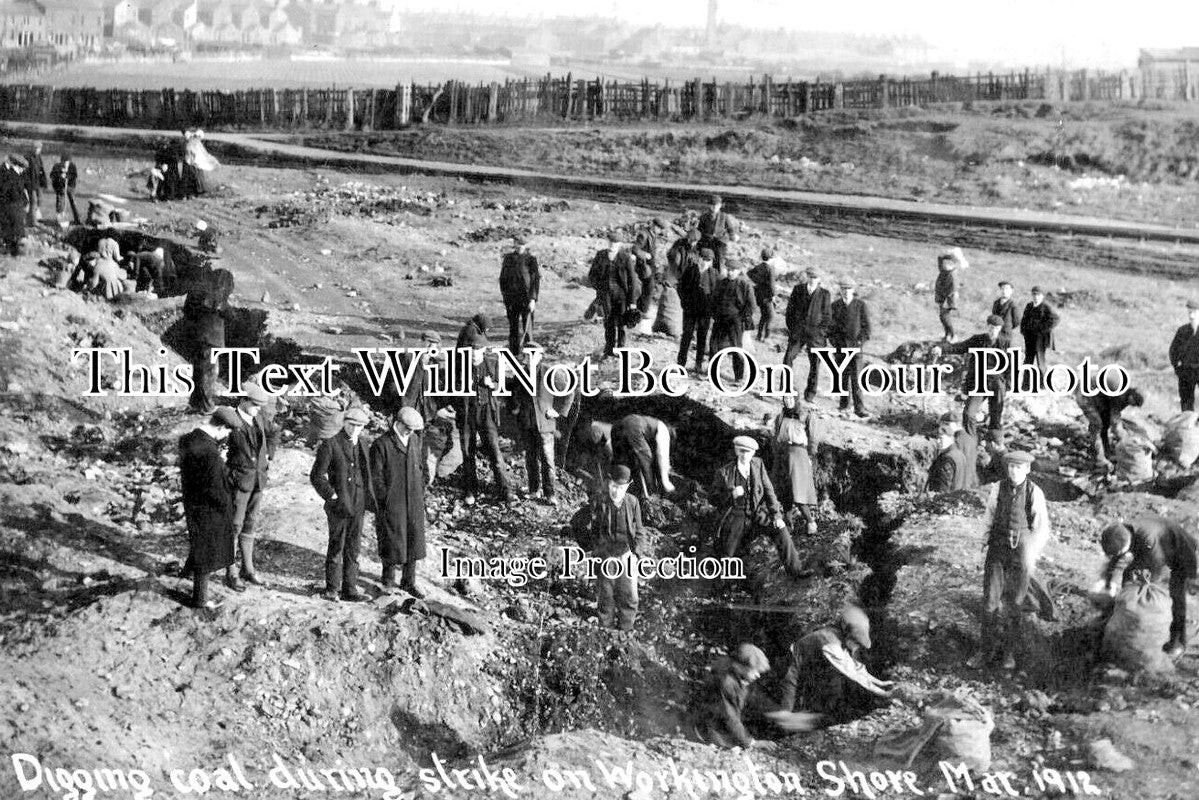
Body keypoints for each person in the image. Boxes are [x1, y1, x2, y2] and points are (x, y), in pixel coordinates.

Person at [967, 450, 1050, 670]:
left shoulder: (1034, 492)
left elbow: (1041, 528)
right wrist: (983, 539)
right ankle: (986, 651)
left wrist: (1031, 554)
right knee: (990, 601)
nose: (1013, 471)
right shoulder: (997, 488)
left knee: (1015, 603)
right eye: (1011, 467)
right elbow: (989, 515)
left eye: (1018, 467)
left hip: (1021, 551)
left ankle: (1009, 654)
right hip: (997, 549)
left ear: (1027, 470)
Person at [1095, 516, 1198, 659]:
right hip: (1158, 542)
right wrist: (1108, 582)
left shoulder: (1149, 542)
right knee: (1129, 575)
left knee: (1176, 596)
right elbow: (1116, 558)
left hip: (1181, 552)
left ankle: (1178, 642)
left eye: (1122, 553)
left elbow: (1156, 572)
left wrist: (1137, 595)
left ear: (1128, 545)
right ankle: (1115, 616)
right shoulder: (1120, 531)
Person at [776, 606, 893, 722]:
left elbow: (856, 667)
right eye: (857, 644)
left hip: (806, 667)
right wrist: (884, 693)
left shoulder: (838, 635)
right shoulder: (831, 645)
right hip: (791, 667)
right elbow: (852, 673)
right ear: (850, 638)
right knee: (786, 708)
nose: (857, 648)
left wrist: (880, 683)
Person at [710, 436, 805, 578]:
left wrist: (777, 516)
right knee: (727, 554)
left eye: (747, 452)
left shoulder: (758, 465)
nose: (744, 455)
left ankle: (796, 571)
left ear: (753, 453)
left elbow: (769, 492)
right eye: (741, 451)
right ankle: (720, 589)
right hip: (736, 516)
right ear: (736, 451)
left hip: (757, 514)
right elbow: (712, 498)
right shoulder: (724, 472)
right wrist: (731, 495)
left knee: (781, 530)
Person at [567, 464, 644, 631]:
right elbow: (576, 523)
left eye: (621, 487)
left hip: (626, 556)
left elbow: (639, 531)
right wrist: (590, 546)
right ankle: (606, 631)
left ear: (627, 487)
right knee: (606, 598)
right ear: (609, 483)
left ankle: (626, 632)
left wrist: (637, 553)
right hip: (605, 557)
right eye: (614, 486)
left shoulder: (632, 502)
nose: (616, 491)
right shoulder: (598, 502)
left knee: (630, 598)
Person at [179, 407, 241, 609]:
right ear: (221, 427)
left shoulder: (190, 439)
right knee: (206, 552)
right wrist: (228, 505)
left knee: (198, 544)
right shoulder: (210, 453)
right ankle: (200, 600)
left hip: (193, 501)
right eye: (228, 431)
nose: (228, 435)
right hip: (209, 507)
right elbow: (216, 487)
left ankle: (187, 574)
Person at [310, 407, 373, 602]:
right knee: (337, 546)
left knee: (353, 548)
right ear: (344, 422)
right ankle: (332, 589)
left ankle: (350, 589)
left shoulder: (362, 444)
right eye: (352, 425)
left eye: (359, 426)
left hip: (358, 505)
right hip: (339, 506)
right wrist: (332, 496)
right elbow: (317, 476)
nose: (355, 429)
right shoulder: (330, 444)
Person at [226, 380, 280, 590]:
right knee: (234, 526)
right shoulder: (230, 419)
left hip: (258, 480)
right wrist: (228, 473)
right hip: (239, 482)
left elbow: (275, 430)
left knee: (251, 523)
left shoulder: (259, 418)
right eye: (255, 404)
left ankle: (248, 569)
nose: (259, 409)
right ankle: (230, 572)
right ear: (244, 400)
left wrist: (269, 455)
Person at [370, 407, 427, 598]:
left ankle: (409, 582)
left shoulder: (415, 440)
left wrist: (421, 488)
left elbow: (421, 466)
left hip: (414, 499)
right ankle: (387, 582)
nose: (410, 432)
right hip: (392, 502)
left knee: (413, 539)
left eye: (413, 430)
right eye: (408, 428)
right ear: (399, 423)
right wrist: (384, 499)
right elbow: (375, 478)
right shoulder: (382, 444)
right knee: (391, 540)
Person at [932, 314, 1012, 440]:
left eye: (996, 328)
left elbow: (1011, 367)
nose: (993, 331)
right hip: (979, 382)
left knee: (996, 415)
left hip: (997, 383)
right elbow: (959, 347)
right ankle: (971, 440)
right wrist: (941, 349)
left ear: (1000, 329)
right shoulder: (978, 340)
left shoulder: (1006, 343)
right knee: (969, 413)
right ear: (987, 327)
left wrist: (1007, 385)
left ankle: (993, 440)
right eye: (991, 328)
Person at [402, 330, 461, 486]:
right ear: (421, 343)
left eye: (434, 345)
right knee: (406, 447)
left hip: (425, 414)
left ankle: (419, 482)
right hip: (409, 410)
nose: (430, 347)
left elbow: (436, 390)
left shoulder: (434, 363)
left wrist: (442, 406)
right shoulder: (409, 358)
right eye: (427, 343)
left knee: (420, 449)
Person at [462, 340, 516, 504]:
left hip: (486, 413)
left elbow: (502, 385)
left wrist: (491, 384)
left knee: (494, 450)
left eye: (475, 353)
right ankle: (471, 490)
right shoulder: (460, 366)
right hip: (467, 414)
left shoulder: (492, 363)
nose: (472, 356)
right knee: (467, 452)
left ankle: (505, 490)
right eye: (470, 353)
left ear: (483, 351)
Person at [513, 343, 568, 503]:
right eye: (526, 355)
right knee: (530, 458)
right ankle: (534, 490)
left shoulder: (549, 373)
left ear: (539, 356)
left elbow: (569, 391)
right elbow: (514, 394)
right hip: (527, 423)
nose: (528, 358)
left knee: (547, 459)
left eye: (532, 355)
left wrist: (557, 410)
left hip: (545, 424)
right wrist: (516, 408)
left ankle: (550, 494)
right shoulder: (520, 374)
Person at [693, 644, 774, 749]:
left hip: (724, 728)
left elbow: (755, 698)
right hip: (710, 732)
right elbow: (729, 717)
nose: (758, 675)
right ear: (739, 666)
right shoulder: (726, 682)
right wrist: (751, 743)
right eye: (755, 670)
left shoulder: (739, 677)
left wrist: (776, 713)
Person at [184, 269, 233, 414]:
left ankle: (195, 403)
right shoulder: (219, 299)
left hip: (198, 337)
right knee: (209, 374)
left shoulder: (199, 293)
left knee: (199, 371)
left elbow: (188, 311)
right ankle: (206, 406)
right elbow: (230, 316)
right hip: (213, 341)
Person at [771, 394, 819, 534]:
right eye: (785, 398)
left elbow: (813, 438)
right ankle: (788, 525)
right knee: (784, 491)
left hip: (799, 454)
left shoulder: (806, 415)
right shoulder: (780, 416)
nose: (788, 401)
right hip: (783, 454)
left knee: (798, 492)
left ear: (796, 399)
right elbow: (776, 436)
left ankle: (810, 522)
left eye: (791, 398)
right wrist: (777, 452)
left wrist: (809, 456)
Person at [783, 268, 833, 402]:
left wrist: (820, 333)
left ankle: (810, 394)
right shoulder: (798, 289)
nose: (812, 280)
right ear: (807, 277)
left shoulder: (825, 294)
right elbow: (790, 311)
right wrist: (792, 328)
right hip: (798, 334)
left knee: (815, 365)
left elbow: (827, 317)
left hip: (816, 336)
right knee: (788, 358)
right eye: (810, 277)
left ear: (819, 280)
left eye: (815, 278)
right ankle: (785, 389)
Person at [588, 232, 640, 358]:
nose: (612, 245)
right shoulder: (600, 255)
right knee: (608, 322)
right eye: (610, 242)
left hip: (621, 295)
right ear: (607, 242)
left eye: (615, 243)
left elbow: (632, 281)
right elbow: (592, 275)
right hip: (606, 295)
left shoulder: (625, 258)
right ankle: (609, 349)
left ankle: (621, 349)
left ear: (620, 244)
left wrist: (632, 302)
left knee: (622, 323)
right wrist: (599, 288)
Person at [1077, 383, 1145, 471]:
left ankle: (1103, 451)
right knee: (1097, 426)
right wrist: (1124, 438)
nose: (1133, 406)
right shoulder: (1121, 395)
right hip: (1087, 399)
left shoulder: (1126, 396)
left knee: (1104, 427)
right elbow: (1115, 421)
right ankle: (1099, 459)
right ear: (1132, 396)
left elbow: (1112, 415)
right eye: (1134, 403)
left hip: (1097, 401)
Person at [830, 277, 871, 419]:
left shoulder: (860, 305)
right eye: (843, 289)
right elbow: (830, 328)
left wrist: (860, 343)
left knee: (857, 379)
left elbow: (867, 329)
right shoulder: (835, 306)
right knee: (842, 377)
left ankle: (859, 408)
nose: (846, 292)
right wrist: (835, 343)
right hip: (840, 349)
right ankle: (843, 405)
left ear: (853, 290)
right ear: (840, 290)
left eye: (848, 289)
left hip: (855, 349)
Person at [709, 258, 755, 384]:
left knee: (736, 347)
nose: (730, 273)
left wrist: (742, 318)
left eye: (733, 270)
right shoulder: (721, 283)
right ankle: (712, 373)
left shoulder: (744, 285)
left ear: (739, 271)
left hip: (735, 321)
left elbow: (751, 305)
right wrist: (714, 314)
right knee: (714, 346)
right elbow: (713, 300)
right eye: (728, 270)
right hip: (720, 319)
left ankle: (739, 377)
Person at [610, 413, 675, 497]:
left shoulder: (652, 426)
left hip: (617, 427)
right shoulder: (664, 430)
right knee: (646, 461)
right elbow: (662, 457)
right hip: (634, 426)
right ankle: (650, 494)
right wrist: (666, 482)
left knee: (623, 464)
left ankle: (618, 491)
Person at [677, 247, 719, 372]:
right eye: (704, 259)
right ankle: (681, 363)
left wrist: (712, 308)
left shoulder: (714, 273)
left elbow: (716, 292)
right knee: (687, 336)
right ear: (699, 258)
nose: (705, 262)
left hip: (705, 311)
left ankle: (698, 364)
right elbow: (681, 287)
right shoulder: (690, 270)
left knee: (702, 337)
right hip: (690, 309)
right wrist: (685, 302)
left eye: (709, 260)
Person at [499, 235, 540, 355]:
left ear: (525, 245)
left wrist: (533, 299)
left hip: (526, 299)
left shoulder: (531, 259)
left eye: (522, 244)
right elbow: (503, 278)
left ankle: (529, 353)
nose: (520, 246)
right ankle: (514, 353)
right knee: (513, 328)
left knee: (527, 328)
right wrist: (505, 296)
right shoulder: (508, 258)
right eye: (518, 244)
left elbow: (535, 280)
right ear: (514, 244)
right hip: (512, 299)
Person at [1019, 286, 1060, 380]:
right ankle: (1026, 384)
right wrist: (1023, 330)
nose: (1036, 297)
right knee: (1028, 360)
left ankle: (1043, 384)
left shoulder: (1046, 307)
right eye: (1034, 294)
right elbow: (1024, 319)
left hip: (1040, 339)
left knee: (1040, 361)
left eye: (1038, 295)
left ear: (1042, 296)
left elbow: (1055, 319)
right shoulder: (1029, 306)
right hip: (1029, 338)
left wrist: (1042, 329)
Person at [630, 218, 667, 316]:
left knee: (650, 288)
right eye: (658, 228)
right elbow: (635, 249)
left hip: (651, 266)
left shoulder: (653, 235)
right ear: (653, 225)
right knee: (649, 288)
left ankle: (640, 310)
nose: (659, 230)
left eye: (660, 229)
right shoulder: (644, 234)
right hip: (643, 266)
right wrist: (645, 255)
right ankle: (642, 312)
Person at [1168, 300, 1199, 412]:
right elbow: (1173, 351)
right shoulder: (1183, 331)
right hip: (1186, 372)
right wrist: (1177, 368)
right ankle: (1187, 426)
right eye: (1189, 312)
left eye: (1195, 312)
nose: (1191, 315)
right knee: (1186, 403)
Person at [926, 414, 968, 492]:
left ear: (950, 438)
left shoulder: (946, 459)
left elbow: (942, 487)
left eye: (941, 438)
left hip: (946, 500)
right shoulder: (960, 454)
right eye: (937, 438)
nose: (938, 441)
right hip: (956, 497)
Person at [697, 194, 738, 269]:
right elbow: (699, 229)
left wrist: (732, 236)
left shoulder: (724, 216)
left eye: (717, 205)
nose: (714, 207)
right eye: (712, 205)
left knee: (718, 258)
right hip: (707, 241)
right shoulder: (704, 216)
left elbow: (730, 228)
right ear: (709, 206)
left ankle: (717, 274)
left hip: (720, 241)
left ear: (720, 206)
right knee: (704, 256)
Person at [747, 248, 779, 341]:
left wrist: (758, 282)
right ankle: (766, 337)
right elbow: (772, 285)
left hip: (759, 295)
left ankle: (759, 335)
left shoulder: (759, 266)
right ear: (771, 258)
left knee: (764, 315)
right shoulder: (770, 269)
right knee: (771, 316)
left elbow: (749, 273)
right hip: (767, 296)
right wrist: (773, 296)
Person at [0, 155, 28, 255]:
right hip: (11, 207)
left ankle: (12, 250)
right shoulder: (12, 175)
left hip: (14, 208)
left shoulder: (15, 175)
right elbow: (10, 192)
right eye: (22, 169)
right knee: (12, 232)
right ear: (20, 167)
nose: (23, 171)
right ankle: (12, 252)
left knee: (12, 232)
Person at [665, 226, 702, 292]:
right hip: (677, 271)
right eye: (692, 240)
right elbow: (672, 257)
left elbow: (696, 258)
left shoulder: (694, 248)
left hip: (687, 272)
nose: (693, 243)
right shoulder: (679, 244)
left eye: (695, 241)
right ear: (688, 238)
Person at [933, 252, 960, 342]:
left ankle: (953, 335)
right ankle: (947, 334)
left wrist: (945, 301)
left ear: (952, 265)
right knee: (942, 316)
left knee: (944, 316)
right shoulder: (944, 271)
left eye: (947, 264)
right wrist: (945, 255)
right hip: (943, 298)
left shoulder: (952, 274)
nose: (944, 265)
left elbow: (953, 289)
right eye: (944, 263)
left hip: (948, 299)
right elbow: (939, 259)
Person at [49, 154, 80, 224]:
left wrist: (68, 177)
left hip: (70, 186)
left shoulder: (72, 166)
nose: (65, 164)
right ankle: (60, 218)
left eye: (67, 162)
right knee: (60, 202)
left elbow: (75, 175)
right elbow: (52, 175)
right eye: (63, 162)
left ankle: (77, 219)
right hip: (60, 187)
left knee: (73, 201)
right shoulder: (57, 166)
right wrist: (60, 177)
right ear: (61, 161)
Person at [24, 141, 46, 225]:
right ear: (32, 148)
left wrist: (44, 182)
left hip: (38, 183)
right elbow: (25, 172)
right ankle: (33, 221)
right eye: (36, 148)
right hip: (31, 184)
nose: (37, 150)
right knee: (33, 201)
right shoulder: (27, 157)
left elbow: (41, 170)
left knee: (39, 201)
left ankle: (31, 218)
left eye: (39, 148)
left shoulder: (39, 157)